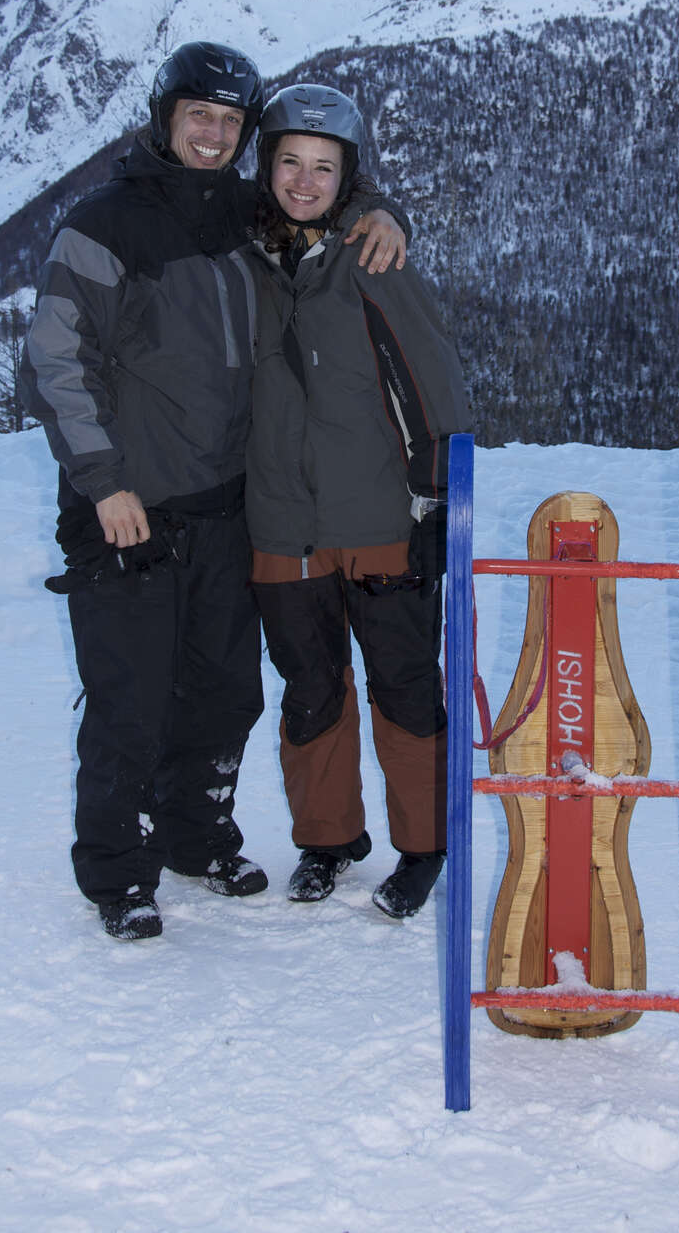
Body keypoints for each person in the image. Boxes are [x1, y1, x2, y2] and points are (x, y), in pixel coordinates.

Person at [21, 44, 407, 940]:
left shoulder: (244, 213)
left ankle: (196, 838)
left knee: (226, 690)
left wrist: (383, 212)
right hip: (128, 511)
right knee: (130, 701)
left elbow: (324, 196)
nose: (213, 132)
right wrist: (105, 483)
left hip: (224, 506)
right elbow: (55, 362)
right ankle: (119, 871)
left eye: (231, 120)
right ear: (165, 117)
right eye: (198, 113)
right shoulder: (106, 224)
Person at [246, 84, 470, 919]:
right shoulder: (243, 261)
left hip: (378, 516)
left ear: (348, 178)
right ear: (266, 167)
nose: (304, 181)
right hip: (283, 521)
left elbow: (435, 382)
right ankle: (328, 838)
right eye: (290, 162)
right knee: (310, 688)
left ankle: (425, 844)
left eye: (324, 167)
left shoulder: (375, 258)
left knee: (402, 685)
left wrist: (439, 499)